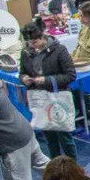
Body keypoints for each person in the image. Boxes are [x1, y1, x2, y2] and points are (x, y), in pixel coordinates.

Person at [18, 23, 77, 160]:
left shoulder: (59, 50)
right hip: (40, 100)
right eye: (29, 42)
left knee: (65, 138)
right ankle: (55, 165)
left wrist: (46, 80)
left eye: (34, 42)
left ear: (42, 37)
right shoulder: (25, 52)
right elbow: (22, 72)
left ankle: (73, 166)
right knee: (49, 139)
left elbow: (70, 75)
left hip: (58, 99)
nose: (32, 45)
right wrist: (24, 78)